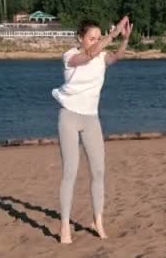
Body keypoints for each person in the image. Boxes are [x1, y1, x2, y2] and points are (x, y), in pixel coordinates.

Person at [52, 16, 132, 244]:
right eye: (91, 38)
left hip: (91, 119)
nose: (95, 41)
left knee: (98, 172)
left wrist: (123, 40)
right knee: (70, 172)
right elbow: (87, 55)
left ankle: (97, 221)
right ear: (80, 38)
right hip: (69, 116)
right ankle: (65, 225)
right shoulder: (70, 56)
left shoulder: (101, 58)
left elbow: (116, 56)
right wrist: (112, 34)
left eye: (98, 37)